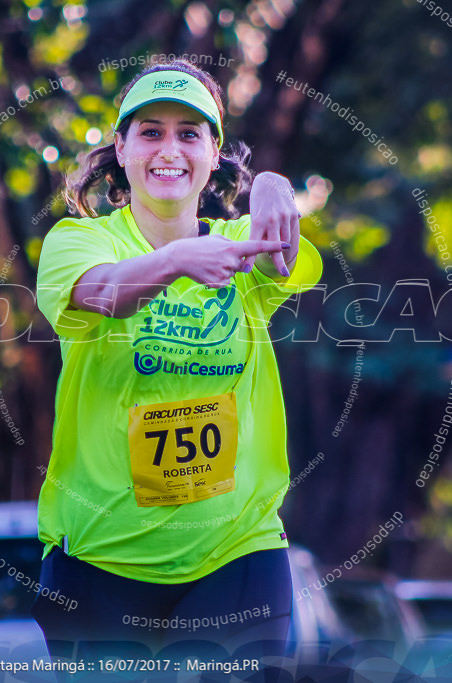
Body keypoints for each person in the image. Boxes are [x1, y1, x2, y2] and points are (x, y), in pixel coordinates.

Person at [31, 59, 323, 670]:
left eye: (190, 133)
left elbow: (285, 255)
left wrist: (271, 183)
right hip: (102, 560)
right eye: (151, 131)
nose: (170, 148)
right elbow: (104, 291)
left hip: (237, 551)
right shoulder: (78, 242)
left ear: (214, 154)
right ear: (120, 148)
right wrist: (180, 260)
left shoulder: (241, 253)